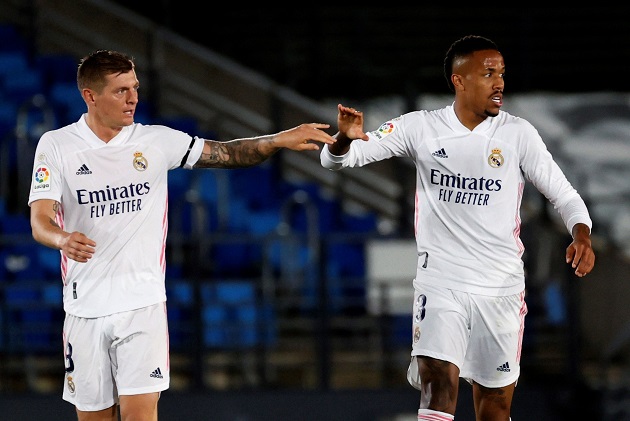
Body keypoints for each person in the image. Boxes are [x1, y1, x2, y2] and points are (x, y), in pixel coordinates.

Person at [28, 49, 336, 421]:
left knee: (141, 415)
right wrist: (62, 238)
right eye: (121, 90)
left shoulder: (156, 141)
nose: (133, 98)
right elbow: (40, 220)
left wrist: (275, 141)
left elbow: (228, 153)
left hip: (142, 303)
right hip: (84, 308)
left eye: (135, 88)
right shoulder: (57, 145)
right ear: (89, 96)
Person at [320, 35, 595, 420]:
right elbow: (342, 160)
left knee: (495, 406)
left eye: (501, 73)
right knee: (438, 385)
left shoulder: (518, 135)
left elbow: (565, 196)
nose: (499, 82)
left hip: (500, 288)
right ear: (459, 80)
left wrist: (580, 233)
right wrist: (340, 144)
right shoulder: (421, 128)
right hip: (441, 282)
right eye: (488, 73)